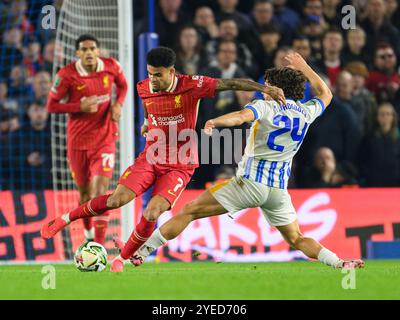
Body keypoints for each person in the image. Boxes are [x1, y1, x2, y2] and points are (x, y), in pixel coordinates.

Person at [40, 46, 286, 272]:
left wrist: (264, 89)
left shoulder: (192, 85)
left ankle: (122, 259)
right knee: (117, 200)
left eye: (157, 75)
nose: (152, 80)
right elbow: (148, 105)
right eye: (149, 74)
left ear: (172, 72)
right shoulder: (143, 87)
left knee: (152, 213)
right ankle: (64, 219)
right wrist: (147, 122)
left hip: (180, 163)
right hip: (151, 156)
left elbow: (231, 83)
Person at [130, 52, 364, 270]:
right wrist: (305, 67)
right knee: (297, 238)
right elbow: (326, 93)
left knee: (190, 211)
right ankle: (340, 262)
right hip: (278, 190)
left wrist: (215, 122)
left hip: (250, 183)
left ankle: (141, 252)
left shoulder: (265, 106)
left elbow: (241, 116)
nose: (263, 89)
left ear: (276, 89)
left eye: (267, 85)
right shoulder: (306, 111)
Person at [44, 34, 128, 244]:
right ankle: (89, 236)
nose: (89, 53)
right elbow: (51, 106)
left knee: (101, 192)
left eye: (92, 49)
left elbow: (124, 86)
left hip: (105, 139)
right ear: (77, 53)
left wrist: (118, 104)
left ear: (98, 51)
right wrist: (77, 107)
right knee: (85, 195)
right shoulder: (66, 75)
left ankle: (98, 246)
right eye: (84, 49)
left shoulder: (111, 66)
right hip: (78, 142)